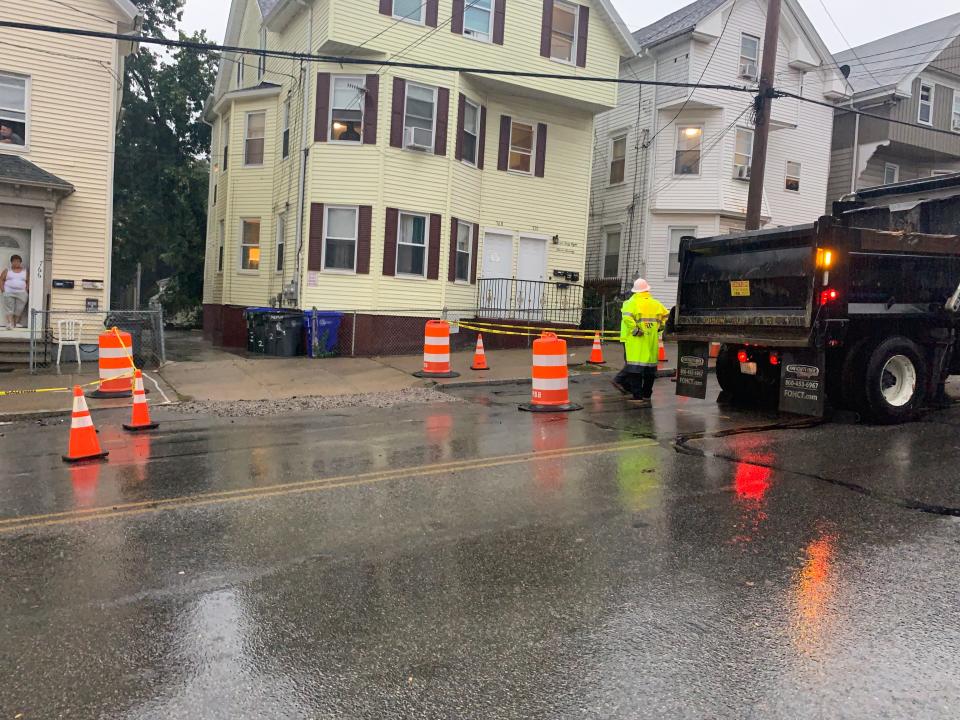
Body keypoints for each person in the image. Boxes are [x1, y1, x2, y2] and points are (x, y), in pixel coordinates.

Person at [612, 278, 668, 407]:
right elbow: (665, 317)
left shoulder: (631, 303)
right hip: (651, 341)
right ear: (647, 289)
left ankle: (637, 396)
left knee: (634, 369)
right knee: (650, 370)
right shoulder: (656, 304)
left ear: (635, 291)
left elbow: (627, 318)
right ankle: (647, 395)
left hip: (637, 341)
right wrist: (659, 327)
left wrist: (636, 330)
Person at [1, 254, 29, 329]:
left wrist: (26, 289)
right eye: (14, 261)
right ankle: (10, 323)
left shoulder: (25, 271)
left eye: (18, 261)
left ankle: (16, 323)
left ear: (20, 262)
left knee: (19, 308)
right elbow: (1, 279)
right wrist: (3, 289)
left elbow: (28, 281)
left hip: (21, 292)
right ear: (11, 262)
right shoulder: (7, 270)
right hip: (9, 292)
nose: (16, 263)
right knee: (9, 308)